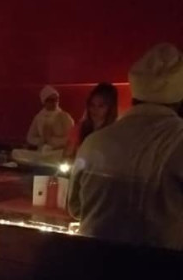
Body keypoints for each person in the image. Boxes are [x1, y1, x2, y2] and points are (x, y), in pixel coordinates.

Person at [68, 43, 183, 250]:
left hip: (91, 261)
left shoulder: (94, 141)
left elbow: (76, 208)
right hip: (161, 268)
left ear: (134, 96)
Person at [13, 85, 74, 166]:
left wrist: (52, 141)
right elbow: (30, 137)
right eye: (51, 100)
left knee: (61, 155)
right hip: (42, 151)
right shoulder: (39, 117)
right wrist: (41, 141)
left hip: (57, 152)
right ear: (44, 101)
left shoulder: (64, 116)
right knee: (16, 153)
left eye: (56, 100)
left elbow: (71, 138)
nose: (54, 103)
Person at [65, 83, 119, 158]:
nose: (95, 110)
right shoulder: (79, 129)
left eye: (101, 106)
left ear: (110, 108)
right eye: (92, 105)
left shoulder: (116, 131)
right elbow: (67, 156)